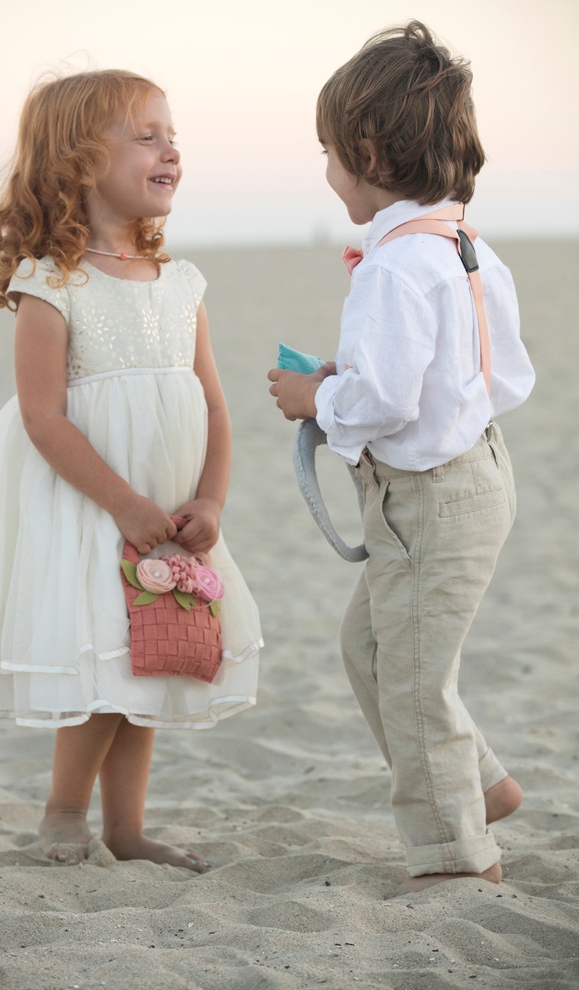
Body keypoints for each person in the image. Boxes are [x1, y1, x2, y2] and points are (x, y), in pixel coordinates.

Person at [0, 69, 262, 870]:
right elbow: (42, 416)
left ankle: (126, 828)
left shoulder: (181, 283)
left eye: (171, 133)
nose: (171, 149)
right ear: (79, 164)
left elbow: (215, 407)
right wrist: (121, 502)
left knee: (152, 652)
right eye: (146, 136)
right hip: (94, 508)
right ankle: (62, 815)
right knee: (104, 655)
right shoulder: (51, 284)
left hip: (172, 508)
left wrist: (211, 500)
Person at [268, 21, 534, 897]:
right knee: (371, 646)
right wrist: (371, 381)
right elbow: (495, 372)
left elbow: (382, 404)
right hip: (477, 475)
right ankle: (483, 784)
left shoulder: (390, 268)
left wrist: (319, 398)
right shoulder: (463, 245)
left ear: (370, 151)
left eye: (329, 153)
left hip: (428, 500)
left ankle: (460, 858)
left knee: (414, 679)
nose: (328, 172)